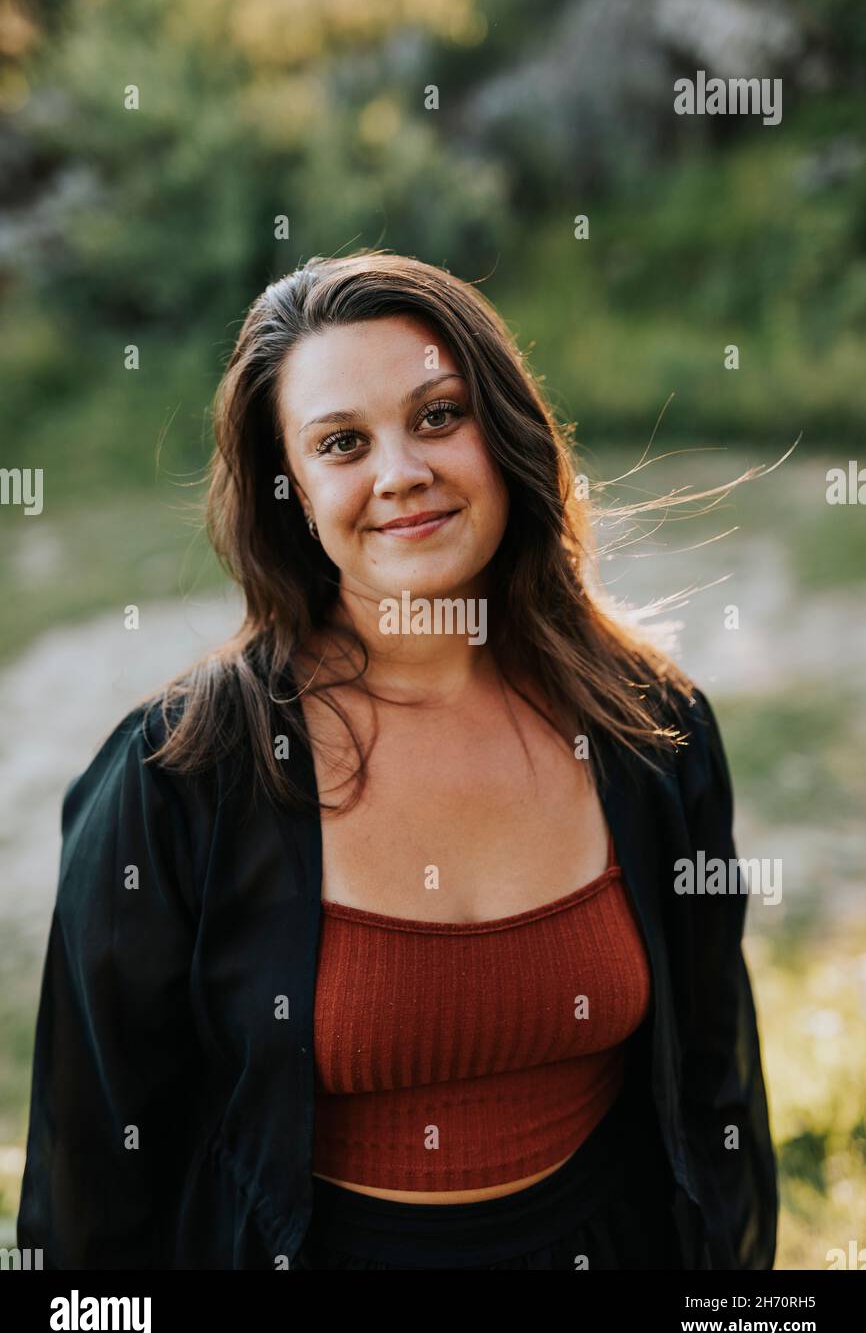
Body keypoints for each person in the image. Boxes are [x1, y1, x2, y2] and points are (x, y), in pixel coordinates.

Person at [17, 250, 778, 1270]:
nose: (401, 473)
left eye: (435, 415)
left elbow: (714, 1099)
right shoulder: (176, 780)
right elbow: (89, 1199)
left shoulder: (648, 727)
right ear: (287, 487)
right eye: (341, 443)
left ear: (501, 428)